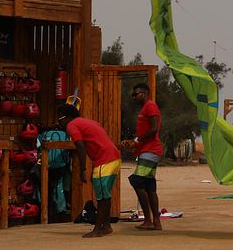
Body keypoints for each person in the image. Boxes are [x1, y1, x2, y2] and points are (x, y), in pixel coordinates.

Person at [57, 104, 121, 238]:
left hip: (105, 160)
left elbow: (80, 145)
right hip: (112, 158)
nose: (59, 121)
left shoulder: (72, 125)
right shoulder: (86, 122)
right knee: (105, 195)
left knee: (102, 197)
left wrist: (83, 169)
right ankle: (106, 226)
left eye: (60, 117)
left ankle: (97, 229)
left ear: (68, 117)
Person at [123, 83, 164, 231]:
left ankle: (148, 219)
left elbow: (154, 129)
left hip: (151, 150)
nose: (134, 97)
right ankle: (156, 222)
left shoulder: (150, 106)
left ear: (145, 93)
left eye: (136, 94)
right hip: (146, 150)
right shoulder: (145, 108)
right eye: (133, 95)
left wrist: (137, 141)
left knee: (137, 181)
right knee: (149, 186)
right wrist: (134, 142)